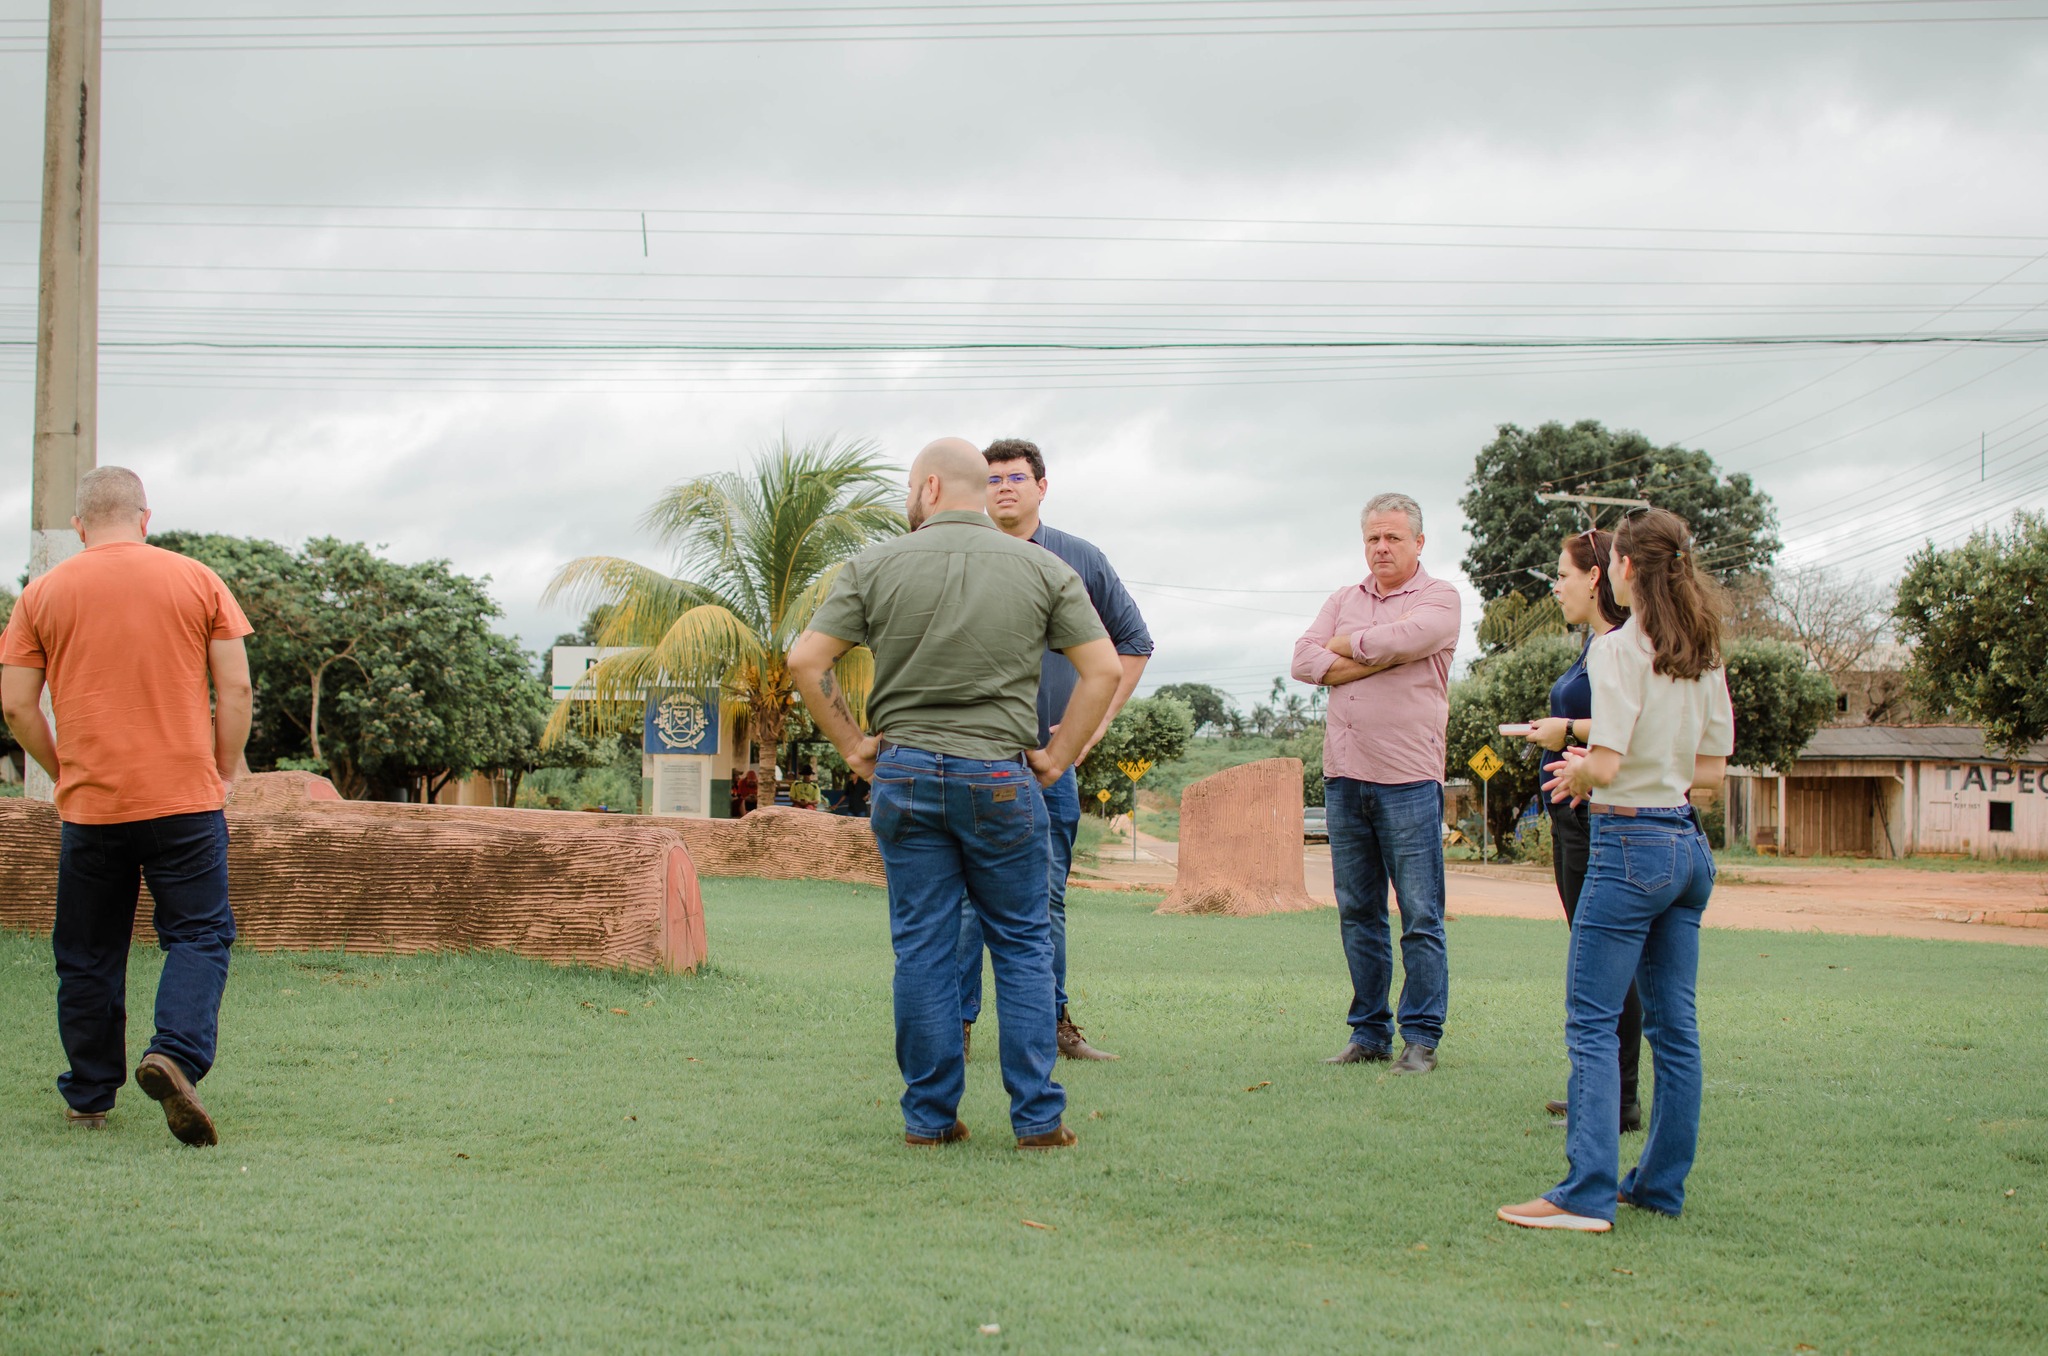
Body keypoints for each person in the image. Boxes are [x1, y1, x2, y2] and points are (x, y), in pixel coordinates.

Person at [787, 437, 1121, 1150]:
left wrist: (853, 745)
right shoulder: (1044, 568)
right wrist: (1057, 758)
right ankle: (1037, 1121)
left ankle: (929, 1120)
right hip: (1002, 776)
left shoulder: (874, 564)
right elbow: (1103, 671)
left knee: (923, 949)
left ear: (931, 487)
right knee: (1025, 944)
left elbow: (805, 659)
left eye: (910, 487)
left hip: (904, 776)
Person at [0, 467, 254, 1146]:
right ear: (145, 517)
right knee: (198, 936)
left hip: (92, 809)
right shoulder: (197, 580)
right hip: (185, 805)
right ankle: (173, 1052)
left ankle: (87, 1098)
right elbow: (234, 692)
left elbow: (17, 705)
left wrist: (64, 772)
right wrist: (221, 771)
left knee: (87, 951)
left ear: (81, 525)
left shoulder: (41, 594)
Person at [1497, 507, 1734, 1233]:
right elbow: (1710, 777)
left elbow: (1602, 759)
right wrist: (1639, 773)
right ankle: (1658, 1187)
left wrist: (1580, 776)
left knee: (1593, 1023)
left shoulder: (1618, 649)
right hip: (1688, 849)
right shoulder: (1703, 650)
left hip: (1628, 847)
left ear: (1624, 569)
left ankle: (1588, 1193)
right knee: (1676, 1029)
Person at [958, 438, 1154, 1064]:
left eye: (1017, 477)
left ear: (1043, 486)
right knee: (965, 902)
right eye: (991, 480)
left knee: (1045, 898)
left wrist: (1089, 729)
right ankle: (958, 1028)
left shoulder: (1079, 559)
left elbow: (1133, 642)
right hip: (969, 757)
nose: (1004, 488)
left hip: (1049, 767)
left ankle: (1054, 1026)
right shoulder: (960, 553)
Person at [1291, 493, 1461, 1074]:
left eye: (1392, 538)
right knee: (1358, 911)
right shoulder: (1344, 597)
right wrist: (1378, 653)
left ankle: (1421, 1039)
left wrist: (1346, 647)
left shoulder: (1441, 598)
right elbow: (1302, 660)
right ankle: (1369, 1034)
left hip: (1409, 777)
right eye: (1372, 538)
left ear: (1418, 542)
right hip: (1344, 777)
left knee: (1419, 913)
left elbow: (1408, 639)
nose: (1381, 548)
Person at [1516, 529, 1645, 1134]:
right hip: (1572, 815)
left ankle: (1615, 1099)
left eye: (1563, 575)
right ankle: (1605, 1089)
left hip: (1596, 814)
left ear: (1596, 577)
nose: (1556, 586)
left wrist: (1565, 729)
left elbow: (1632, 723)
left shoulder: (1618, 645)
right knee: (1594, 952)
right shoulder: (1595, 645)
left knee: (1603, 956)